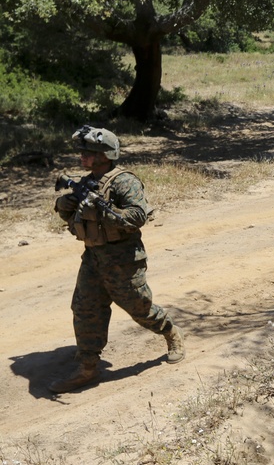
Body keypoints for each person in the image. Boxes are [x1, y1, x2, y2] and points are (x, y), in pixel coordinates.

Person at [49, 126, 184, 394]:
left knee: (140, 308)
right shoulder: (86, 182)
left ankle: (171, 333)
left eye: (88, 152)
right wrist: (67, 205)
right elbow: (69, 216)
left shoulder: (125, 182)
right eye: (82, 151)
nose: (82, 156)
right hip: (93, 257)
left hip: (123, 260)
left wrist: (103, 211)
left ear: (106, 155)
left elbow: (137, 217)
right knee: (85, 309)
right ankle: (87, 367)